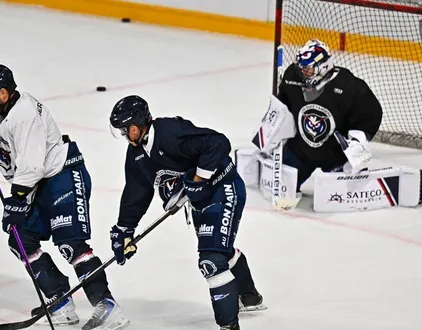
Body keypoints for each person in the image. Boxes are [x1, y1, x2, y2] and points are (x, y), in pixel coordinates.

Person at [0, 64, 129, 330]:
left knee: (70, 243)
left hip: (63, 176)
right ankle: (60, 304)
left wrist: (16, 200)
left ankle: (107, 306)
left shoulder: (25, 115)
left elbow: (32, 166)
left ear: (3, 93)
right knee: (20, 238)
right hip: (37, 185)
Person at [108, 95, 266, 330]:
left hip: (224, 189)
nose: (124, 135)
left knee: (211, 260)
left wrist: (197, 179)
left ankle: (228, 326)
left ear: (139, 124)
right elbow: (136, 191)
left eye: (126, 129)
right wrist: (124, 229)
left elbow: (218, 143)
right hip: (200, 201)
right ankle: (250, 296)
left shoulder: (170, 131)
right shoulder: (136, 154)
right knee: (219, 250)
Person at [276, 38, 383, 191]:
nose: (302, 73)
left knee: (340, 194)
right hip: (301, 150)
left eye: (308, 69)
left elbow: (371, 113)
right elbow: (283, 105)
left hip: (334, 154)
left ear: (323, 66)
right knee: (282, 187)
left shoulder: (347, 85)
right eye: (301, 68)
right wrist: (274, 126)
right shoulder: (292, 77)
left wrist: (359, 139)